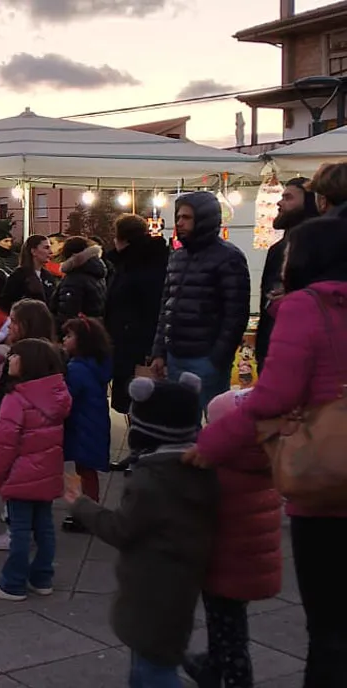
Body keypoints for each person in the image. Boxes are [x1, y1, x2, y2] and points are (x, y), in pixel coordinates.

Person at [187, 217, 347, 687]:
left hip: (327, 481)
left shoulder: (306, 307)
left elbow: (273, 398)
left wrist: (209, 444)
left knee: (330, 629)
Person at [66, 373, 220, 687]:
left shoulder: (150, 479)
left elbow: (121, 528)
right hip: (181, 580)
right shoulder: (202, 469)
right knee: (151, 660)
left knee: (153, 669)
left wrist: (81, 505)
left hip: (150, 586)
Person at [181, 389, 282, 688]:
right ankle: (212, 665)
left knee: (231, 631)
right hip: (252, 562)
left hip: (225, 563)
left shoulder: (221, 467)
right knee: (227, 624)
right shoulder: (265, 457)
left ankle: (237, 679)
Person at [0, 338, 72, 601]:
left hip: (21, 475)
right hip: (47, 473)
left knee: (19, 529)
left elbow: (4, 445)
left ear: (28, 362)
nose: (9, 360)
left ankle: (13, 583)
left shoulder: (16, 399)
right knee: (44, 527)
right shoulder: (57, 395)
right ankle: (42, 577)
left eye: (14, 356)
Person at [150, 191, 250, 416]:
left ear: (204, 219)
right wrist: (159, 351)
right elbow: (167, 307)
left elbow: (236, 314)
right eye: (178, 217)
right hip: (176, 356)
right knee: (181, 422)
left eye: (187, 217)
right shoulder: (177, 257)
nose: (180, 223)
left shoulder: (229, 257)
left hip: (207, 357)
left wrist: (218, 358)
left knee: (217, 425)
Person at [0, 298, 57, 552]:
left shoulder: (24, 358)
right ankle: (37, 548)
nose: (8, 326)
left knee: (8, 487)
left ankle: (16, 536)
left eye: (13, 321)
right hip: (40, 437)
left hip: (21, 434)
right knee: (35, 495)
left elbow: (14, 401)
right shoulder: (47, 355)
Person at [104, 214, 169, 414]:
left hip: (137, 345)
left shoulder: (135, 266)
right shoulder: (149, 260)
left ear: (123, 238)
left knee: (140, 400)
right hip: (135, 342)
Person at [256, 179, 318, 372]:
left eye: (288, 197)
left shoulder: (320, 247)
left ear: (308, 203)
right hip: (272, 348)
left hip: (303, 352)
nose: (279, 203)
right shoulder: (277, 249)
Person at [59, 316, 112, 534]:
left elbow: (67, 397)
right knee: (86, 471)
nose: (64, 339)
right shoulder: (98, 364)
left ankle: (88, 515)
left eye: (69, 336)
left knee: (84, 471)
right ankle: (87, 511)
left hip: (83, 427)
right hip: (93, 424)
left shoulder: (77, 369)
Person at [49, 236, 107, 332]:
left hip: (77, 334)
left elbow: (68, 312)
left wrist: (59, 332)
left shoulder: (74, 279)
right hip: (93, 330)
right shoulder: (96, 274)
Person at [0, 234, 57, 313]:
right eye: (46, 248)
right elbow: (5, 303)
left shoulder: (48, 276)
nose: (51, 252)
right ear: (33, 251)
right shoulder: (19, 275)